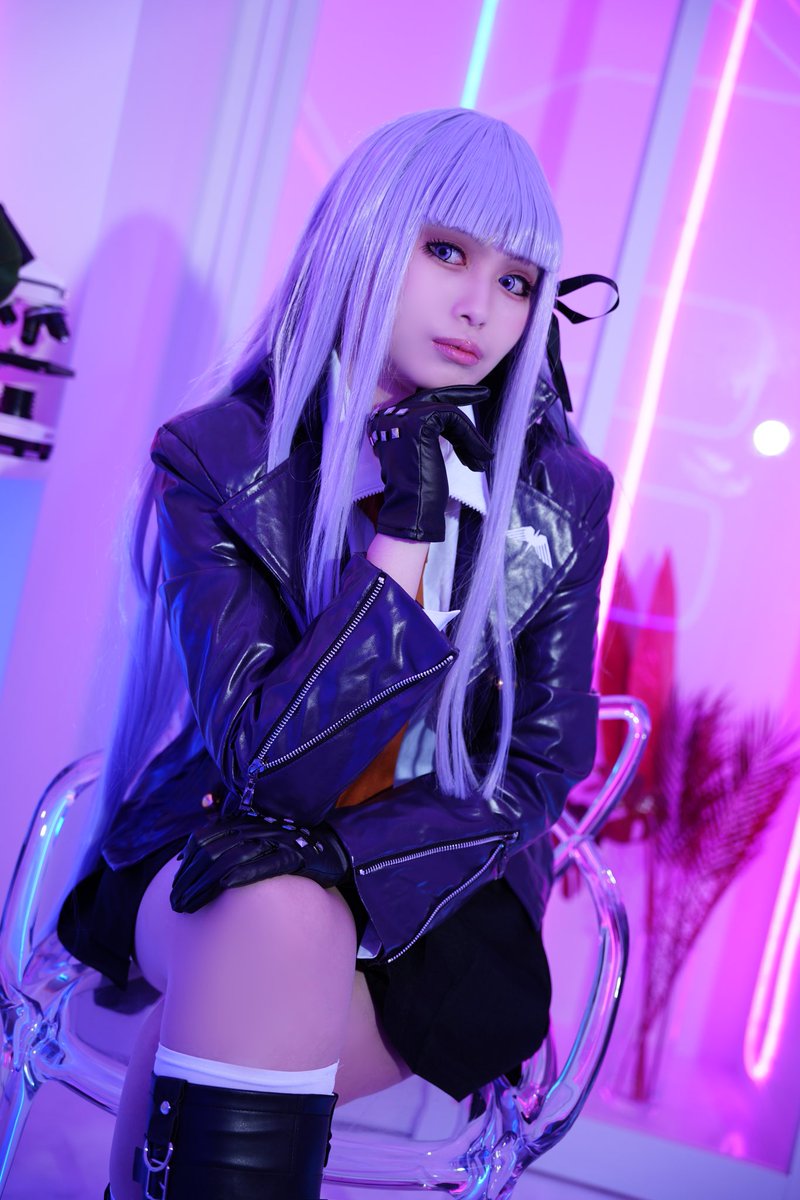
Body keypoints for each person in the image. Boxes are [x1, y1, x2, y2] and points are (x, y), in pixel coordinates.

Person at [58, 107, 615, 1200]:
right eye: (446, 251)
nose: (479, 306)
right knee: (274, 914)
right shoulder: (221, 457)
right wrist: (406, 530)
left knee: (231, 1004)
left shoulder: (560, 495)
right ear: (367, 236)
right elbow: (267, 770)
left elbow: (539, 766)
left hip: (437, 891)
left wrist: (356, 860)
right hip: (217, 850)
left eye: (515, 280)